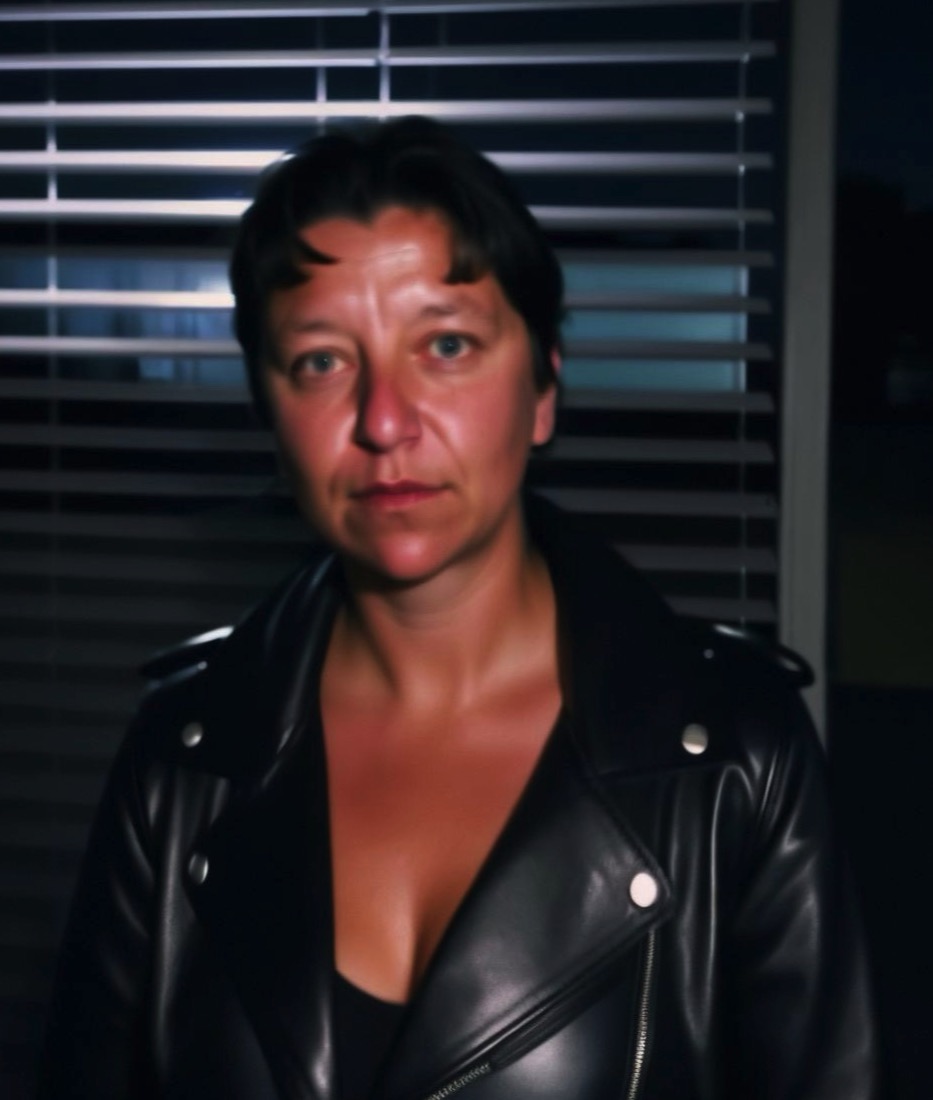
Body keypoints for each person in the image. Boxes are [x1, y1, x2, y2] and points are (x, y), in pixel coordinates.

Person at [40, 117, 878, 1100]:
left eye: (445, 344)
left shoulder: (735, 756)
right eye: (321, 361)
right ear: (269, 413)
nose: (383, 421)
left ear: (543, 387)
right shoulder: (180, 761)